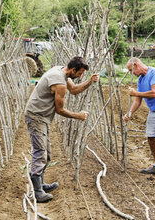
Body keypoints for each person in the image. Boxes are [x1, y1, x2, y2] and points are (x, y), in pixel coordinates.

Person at [25, 56, 99, 203]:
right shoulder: (59, 82)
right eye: (80, 73)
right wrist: (78, 116)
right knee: (40, 152)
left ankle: (41, 184)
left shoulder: (61, 70)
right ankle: (38, 191)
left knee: (46, 153)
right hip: (36, 116)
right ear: (73, 70)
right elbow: (60, 110)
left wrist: (90, 81)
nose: (80, 76)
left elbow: (74, 90)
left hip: (43, 117)